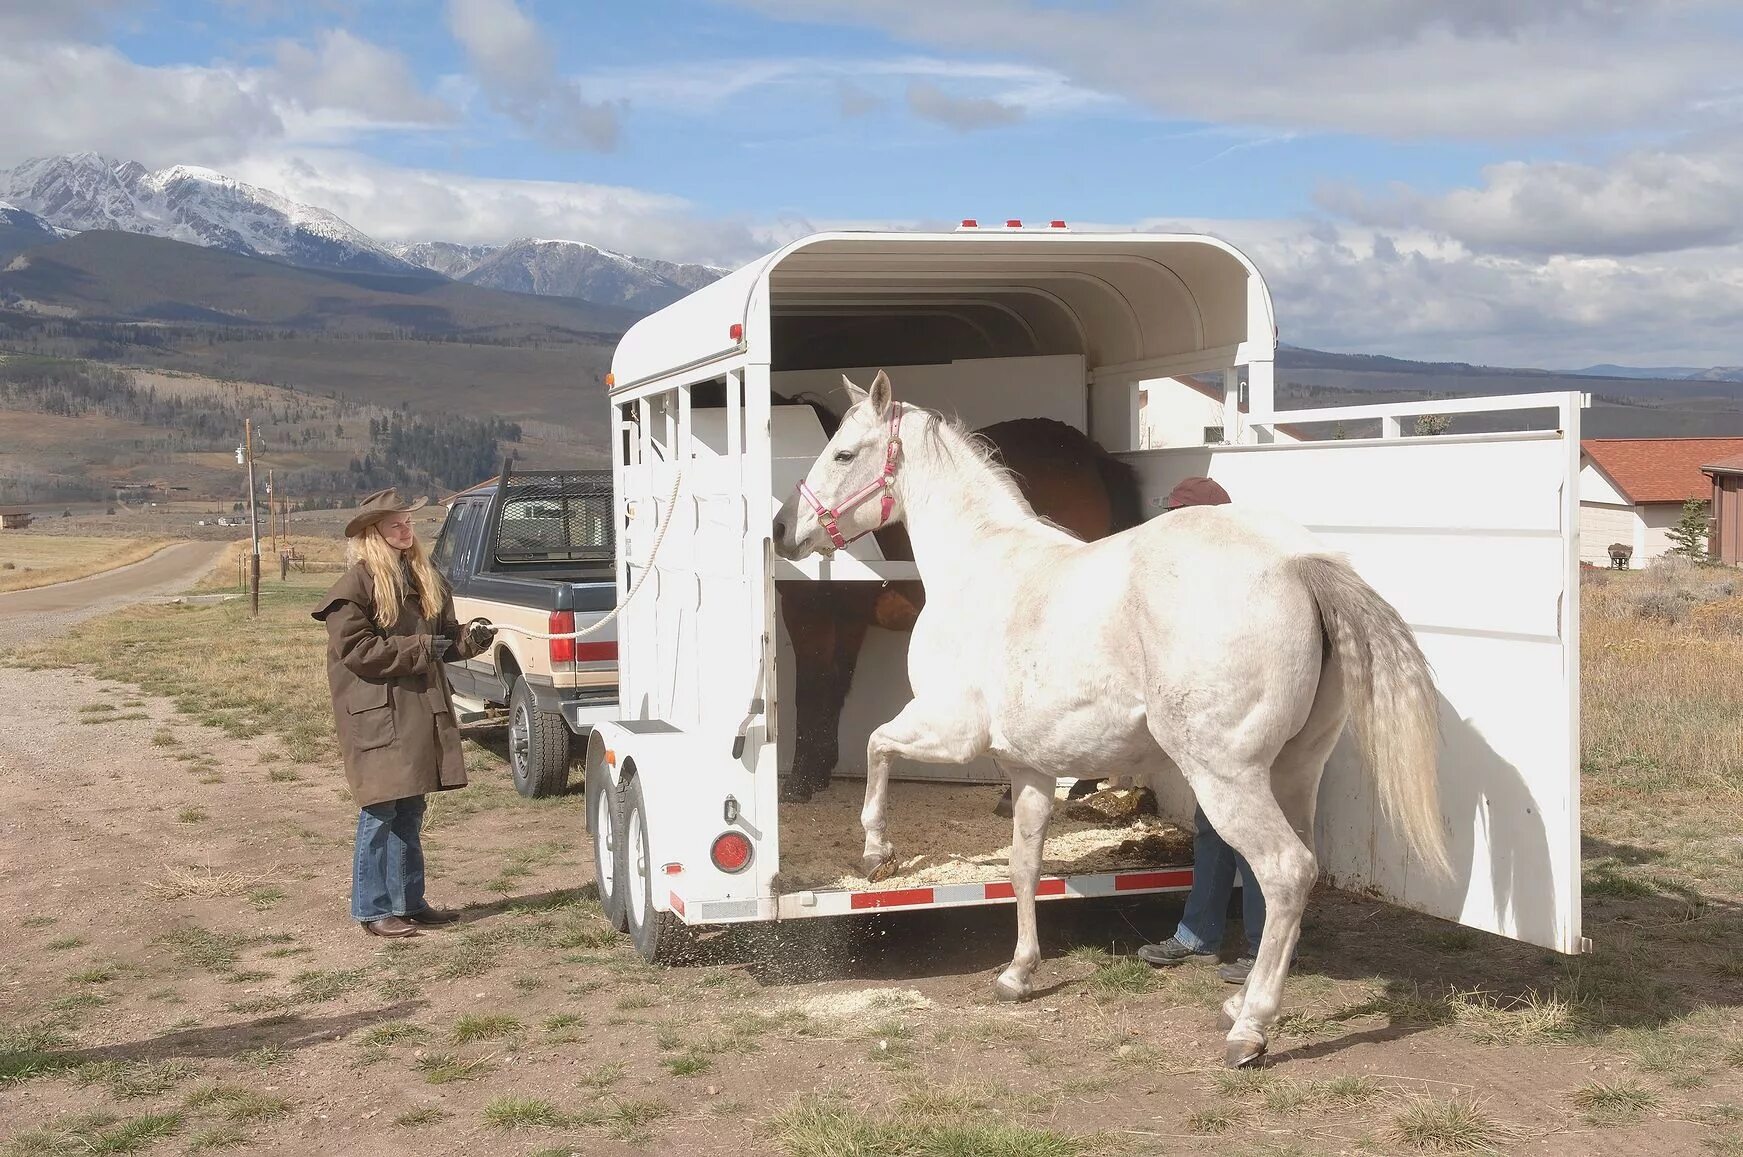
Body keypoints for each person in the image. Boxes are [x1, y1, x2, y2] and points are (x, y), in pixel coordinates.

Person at [312, 488, 497, 938]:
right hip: (377, 715)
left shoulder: (422, 576)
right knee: (379, 812)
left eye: (409, 523)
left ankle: (409, 903)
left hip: (416, 710)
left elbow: (444, 636)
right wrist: (420, 648)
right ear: (373, 533)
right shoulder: (355, 587)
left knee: (411, 809)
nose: (406, 530)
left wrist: (469, 639)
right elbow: (358, 651)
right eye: (396, 524)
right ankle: (373, 910)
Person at [1133, 476, 1283, 985]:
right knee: (1213, 825)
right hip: (1222, 724)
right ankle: (1199, 933)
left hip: (1246, 721)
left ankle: (1264, 946)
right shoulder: (1198, 576)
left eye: (1178, 515)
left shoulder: (1239, 578)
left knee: (1248, 828)